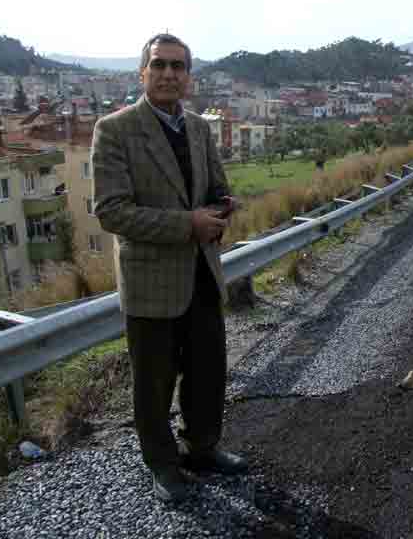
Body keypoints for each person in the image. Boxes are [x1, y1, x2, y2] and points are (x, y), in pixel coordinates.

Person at [92, 34, 247, 503]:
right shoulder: (115, 129)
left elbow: (217, 187)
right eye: (158, 65)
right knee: (154, 383)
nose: (168, 74)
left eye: (178, 67)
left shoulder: (199, 128)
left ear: (189, 77)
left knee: (207, 371)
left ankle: (202, 448)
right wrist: (189, 224)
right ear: (142, 73)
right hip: (150, 282)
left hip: (201, 273)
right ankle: (163, 465)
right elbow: (112, 211)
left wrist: (223, 207)